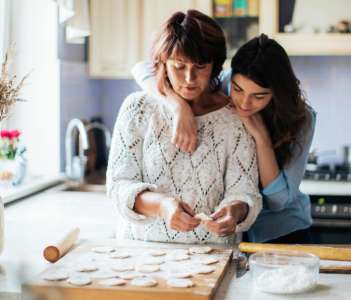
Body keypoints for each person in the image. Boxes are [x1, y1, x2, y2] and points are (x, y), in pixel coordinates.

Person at [132, 34, 316, 243]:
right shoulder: (221, 83)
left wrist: (261, 138)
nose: (245, 103)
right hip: (231, 234)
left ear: (276, 93)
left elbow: (278, 201)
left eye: (259, 96)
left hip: (281, 232)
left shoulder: (302, 118)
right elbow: (143, 69)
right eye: (238, 90)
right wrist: (178, 107)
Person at [106, 10, 262, 244]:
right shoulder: (137, 109)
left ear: (215, 66)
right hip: (140, 254)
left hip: (213, 256)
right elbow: (119, 186)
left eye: (200, 66)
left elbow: (246, 192)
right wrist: (162, 206)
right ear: (163, 64)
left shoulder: (234, 119)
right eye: (179, 66)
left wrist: (234, 212)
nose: (190, 78)